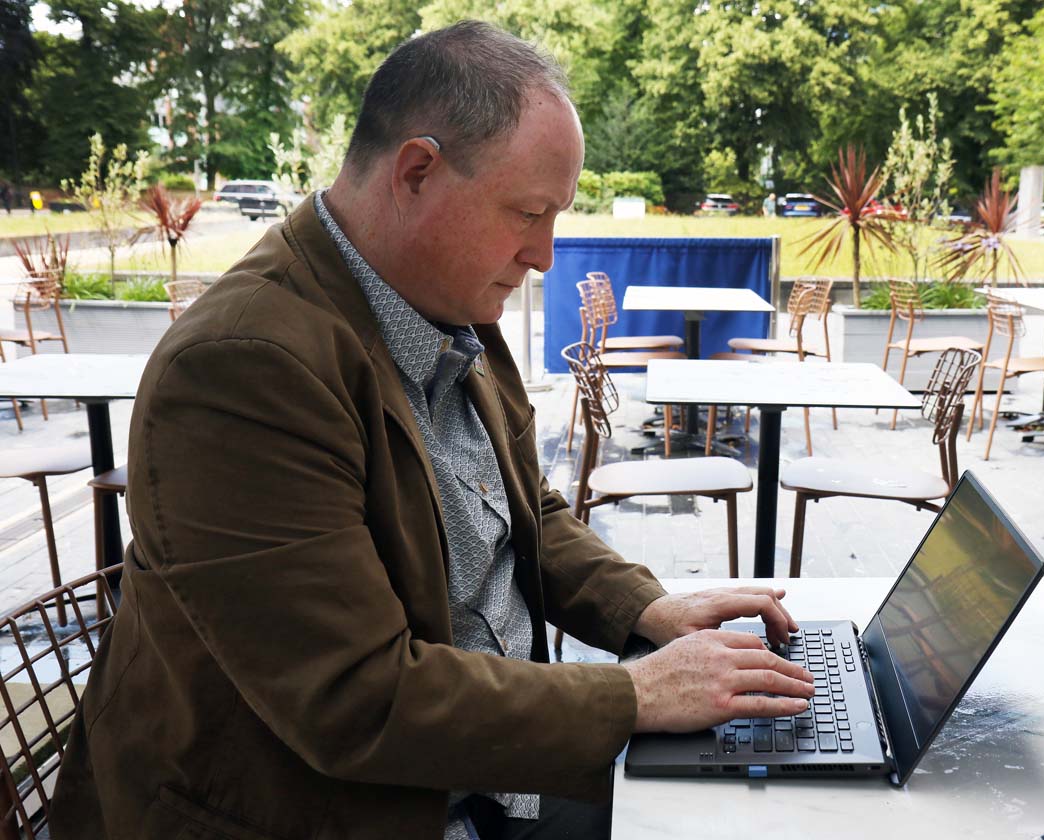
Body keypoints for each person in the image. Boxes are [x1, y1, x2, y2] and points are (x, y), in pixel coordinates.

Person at [49, 21, 814, 840]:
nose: (546, 255)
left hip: (492, 768)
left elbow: (527, 514)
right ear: (417, 171)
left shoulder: (444, 300)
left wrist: (651, 610)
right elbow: (353, 698)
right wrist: (639, 694)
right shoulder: (244, 371)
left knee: (778, 795)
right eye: (529, 212)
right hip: (345, 811)